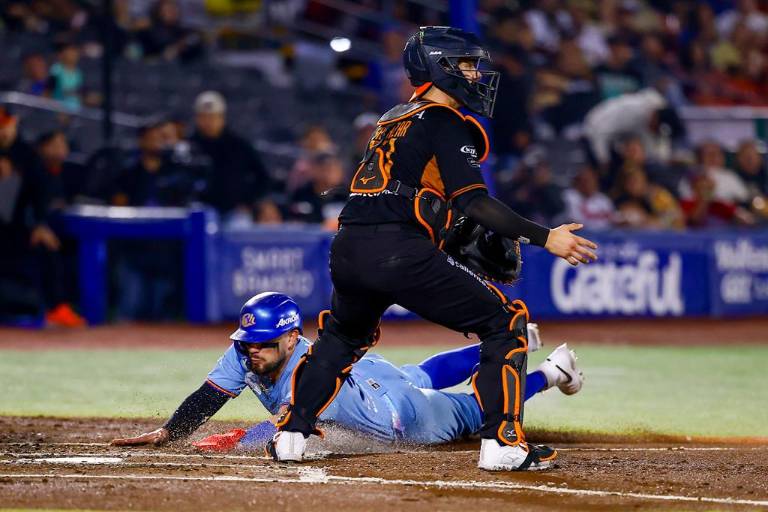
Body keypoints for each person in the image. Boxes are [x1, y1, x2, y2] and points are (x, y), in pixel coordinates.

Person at [268, 26, 597, 472]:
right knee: (505, 323)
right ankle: (503, 444)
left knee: (341, 338)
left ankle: (291, 435)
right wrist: (546, 236)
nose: (475, 74)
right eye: (466, 65)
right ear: (439, 67)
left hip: (347, 245)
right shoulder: (444, 120)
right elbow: (473, 201)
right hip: (396, 249)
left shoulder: (390, 119)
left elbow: (409, 193)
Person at [111, 293, 583, 450]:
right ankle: (514, 342)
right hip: (368, 372)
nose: (252, 351)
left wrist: (237, 440)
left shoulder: (311, 372)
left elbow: (284, 426)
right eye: (247, 342)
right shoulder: (247, 351)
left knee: (479, 408)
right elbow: (209, 395)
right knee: (419, 370)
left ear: (291, 339)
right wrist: (171, 431)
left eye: (263, 343)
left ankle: (552, 371)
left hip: (402, 415)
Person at [189, 91, 280, 226]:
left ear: (222, 117)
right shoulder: (188, 145)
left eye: (213, 117)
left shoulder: (238, 145)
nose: (208, 122)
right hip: (200, 210)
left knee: (239, 229)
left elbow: (263, 177)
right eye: (204, 117)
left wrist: (248, 202)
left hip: (234, 211)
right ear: (197, 118)